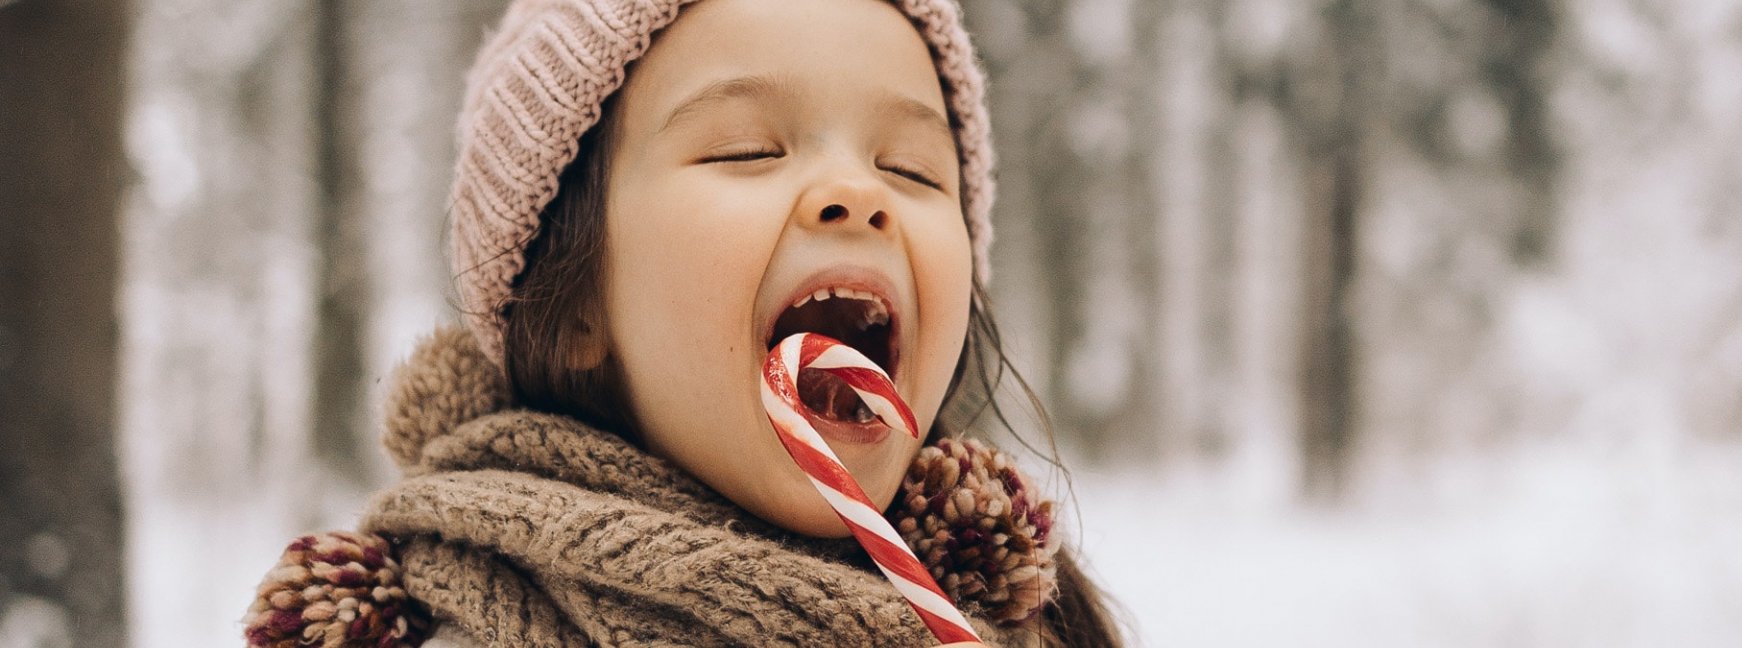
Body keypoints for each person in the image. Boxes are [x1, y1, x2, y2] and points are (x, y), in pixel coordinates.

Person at [242, 0, 1123, 645]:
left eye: (913, 169)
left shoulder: (1022, 622)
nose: (858, 193)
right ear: (575, 305)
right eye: (748, 150)